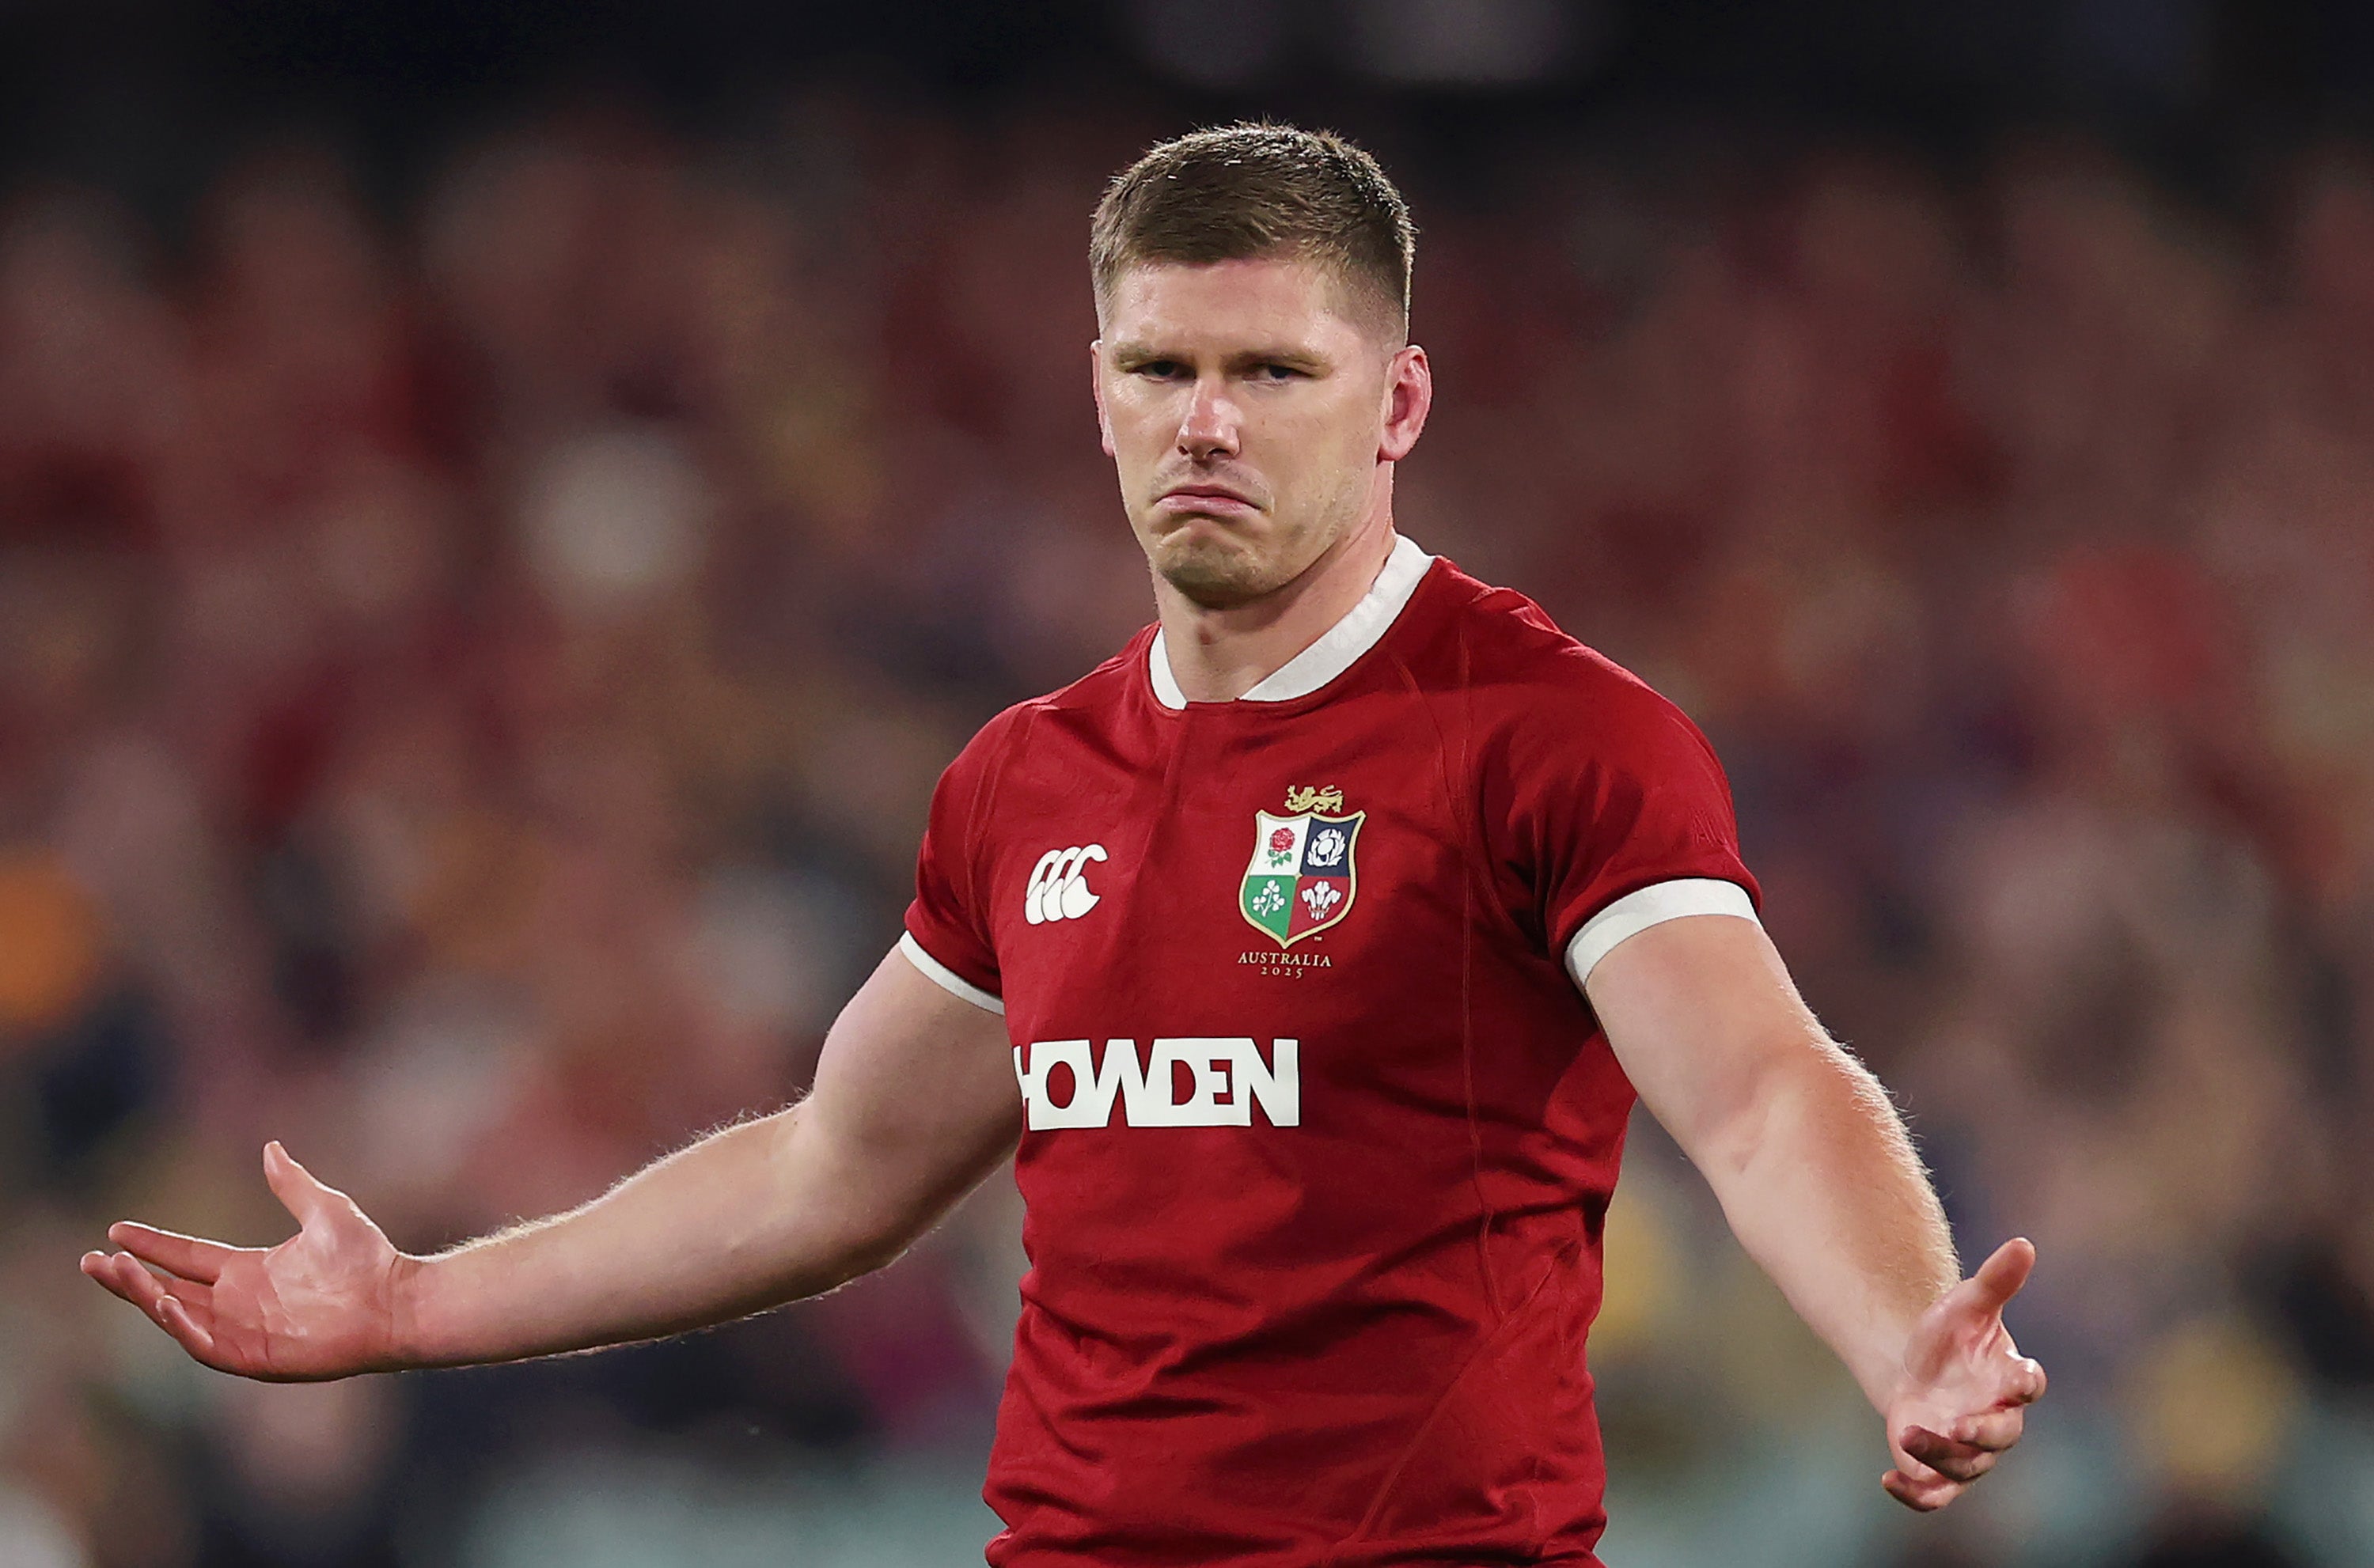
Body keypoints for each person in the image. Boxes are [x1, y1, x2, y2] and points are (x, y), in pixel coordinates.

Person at [82, 123, 2045, 1566]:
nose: (1207, 420)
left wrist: (1903, 1335)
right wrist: (419, 1304)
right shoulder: (1028, 783)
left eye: (1274, 371)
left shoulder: (1550, 739)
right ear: (1095, 397)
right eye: (1158, 368)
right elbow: (834, 1164)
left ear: (1399, 403)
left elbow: (1766, 1090)